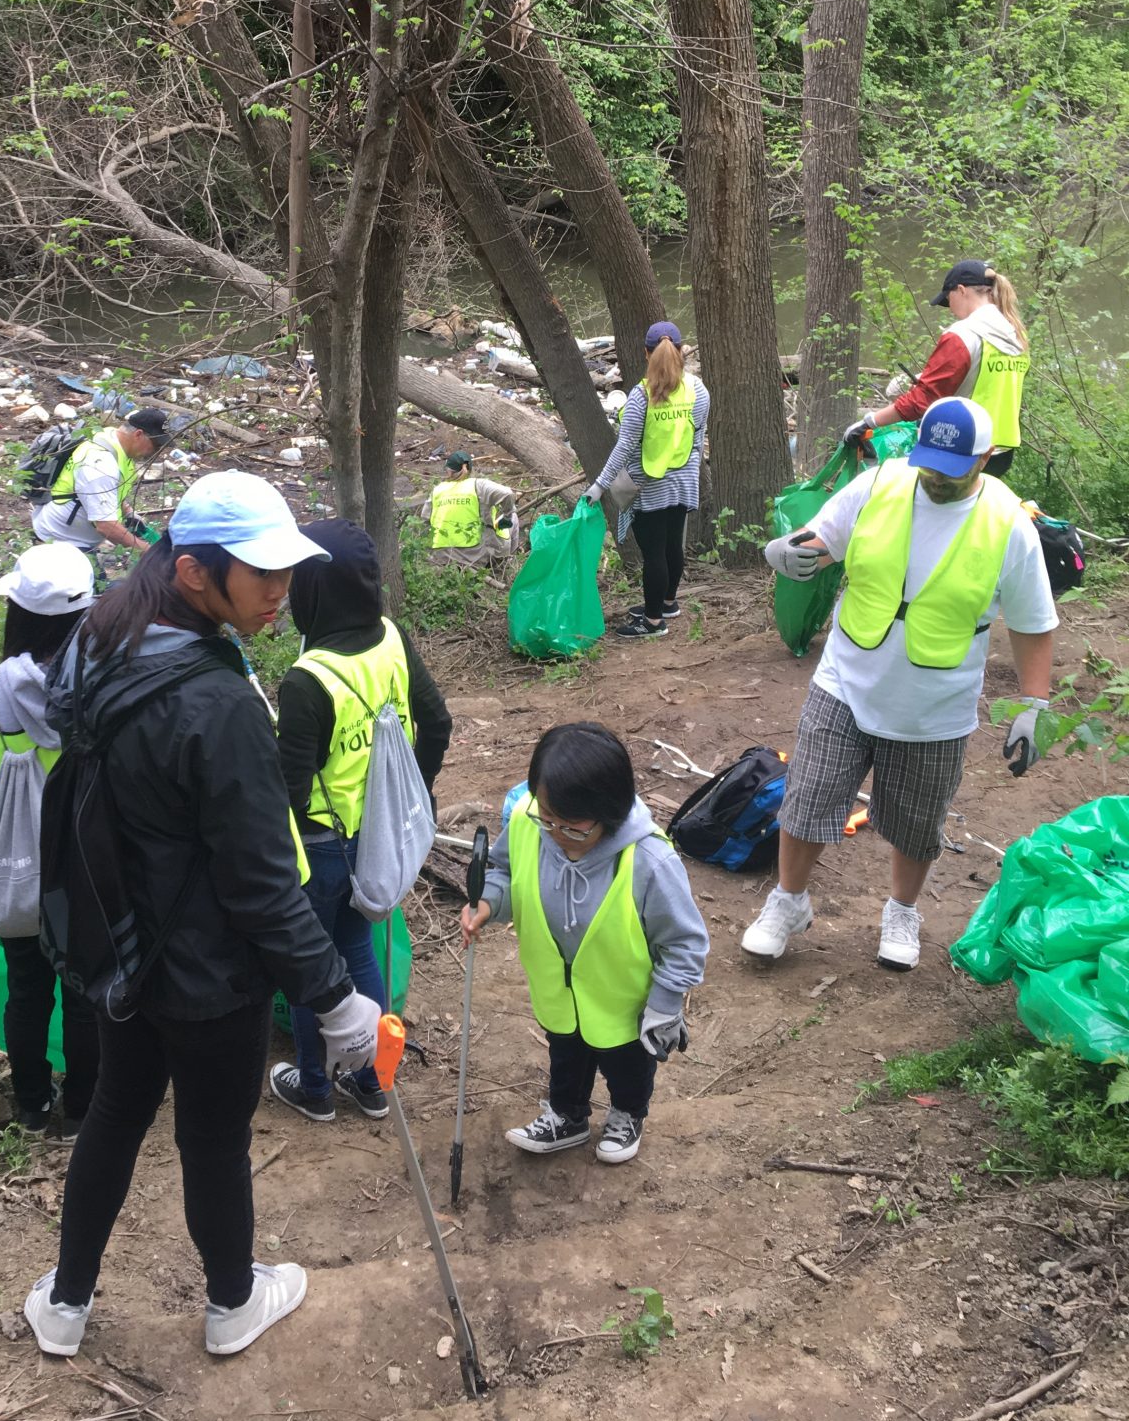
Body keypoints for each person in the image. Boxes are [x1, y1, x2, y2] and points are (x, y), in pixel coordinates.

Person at [20, 472, 381, 1363]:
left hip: (124, 950)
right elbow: (259, 882)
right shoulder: (215, 703)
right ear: (192, 573)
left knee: (115, 1112)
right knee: (213, 1138)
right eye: (261, 576)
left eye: (287, 574)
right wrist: (336, 1001)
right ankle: (231, 1304)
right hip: (212, 972)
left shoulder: (106, 633)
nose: (280, 594)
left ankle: (65, 1306)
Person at [749, 397, 1056, 973]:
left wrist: (1034, 704)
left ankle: (902, 910)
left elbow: (1034, 623)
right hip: (846, 678)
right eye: (929, 463)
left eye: (951, 468)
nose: (935, 478)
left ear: (986, 458)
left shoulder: (1010, 524)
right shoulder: (882, 484)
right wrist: (794, 554)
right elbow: (823, 537)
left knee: (917, 822)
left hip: (934, 704)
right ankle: (788, 903)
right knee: (807, 797)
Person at [270, 520, 453, 1124]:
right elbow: (437, 721)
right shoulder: (391, 640)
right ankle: (373, 1080)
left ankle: (316, 1085)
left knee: (311, 966)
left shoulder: (308, 680)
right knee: (357, 946)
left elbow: (291, 789)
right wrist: (414, 795)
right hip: (378, 837)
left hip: (322, 846)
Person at [461, 722, 709, 1166]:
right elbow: (503, 872)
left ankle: (628, 1113)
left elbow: (685, 942)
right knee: (566, 1056)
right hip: (559, 991)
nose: (555, 833)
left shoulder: (649, 861)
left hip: (625, 1004)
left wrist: (666, 1005)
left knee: (628, 1066)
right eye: (547, 817)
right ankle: (567, 1115)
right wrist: (487, 903)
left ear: (609, 811)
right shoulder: (526, 823)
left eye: (573, 827)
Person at [0, 543, 99, 1134]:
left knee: (27, 991)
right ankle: (83, 1107)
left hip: (13, 870)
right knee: (85, 996)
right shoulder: (99, 694)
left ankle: (32, 1103)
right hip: (86, 874)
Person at [843, 260, 1030, 477]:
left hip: (960, 451)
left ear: (960, 291)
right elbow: (991, 381)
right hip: (1000, 451)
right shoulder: (1016, 335)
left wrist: (870, 421)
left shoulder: (964, 334)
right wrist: (931, 377)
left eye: (948, 300)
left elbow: (922, 399)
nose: (950, 309)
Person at [582, 320, 710, 639]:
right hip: (684, 479)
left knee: (654, 553)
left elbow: (625, 446)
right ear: (681, 350)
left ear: (645, 352)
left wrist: (599, 486)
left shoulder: (642, 396)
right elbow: (698, 439)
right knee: (671, 545)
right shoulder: (698, 389)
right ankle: (667, 603)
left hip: (650, 484)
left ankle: (653, 622)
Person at [30, 407, 171, 559]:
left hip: (74, 538)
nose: (157, 451)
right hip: (61, 540)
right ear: (138, 435)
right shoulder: (101, 464)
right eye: (156, 445)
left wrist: (128, 512)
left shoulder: (114, 439)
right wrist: (149, 551)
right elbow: (106, 526)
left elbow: (109, 490)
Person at [421, 451, 518, 564]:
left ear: (448, 471)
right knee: (513, 517)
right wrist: (507, 516)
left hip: (442, 556)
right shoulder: (479, 485)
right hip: (476, 555)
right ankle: (508, 562)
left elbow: (424, 520)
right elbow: (508, 493)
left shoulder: (437, 490)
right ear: (470, 469)